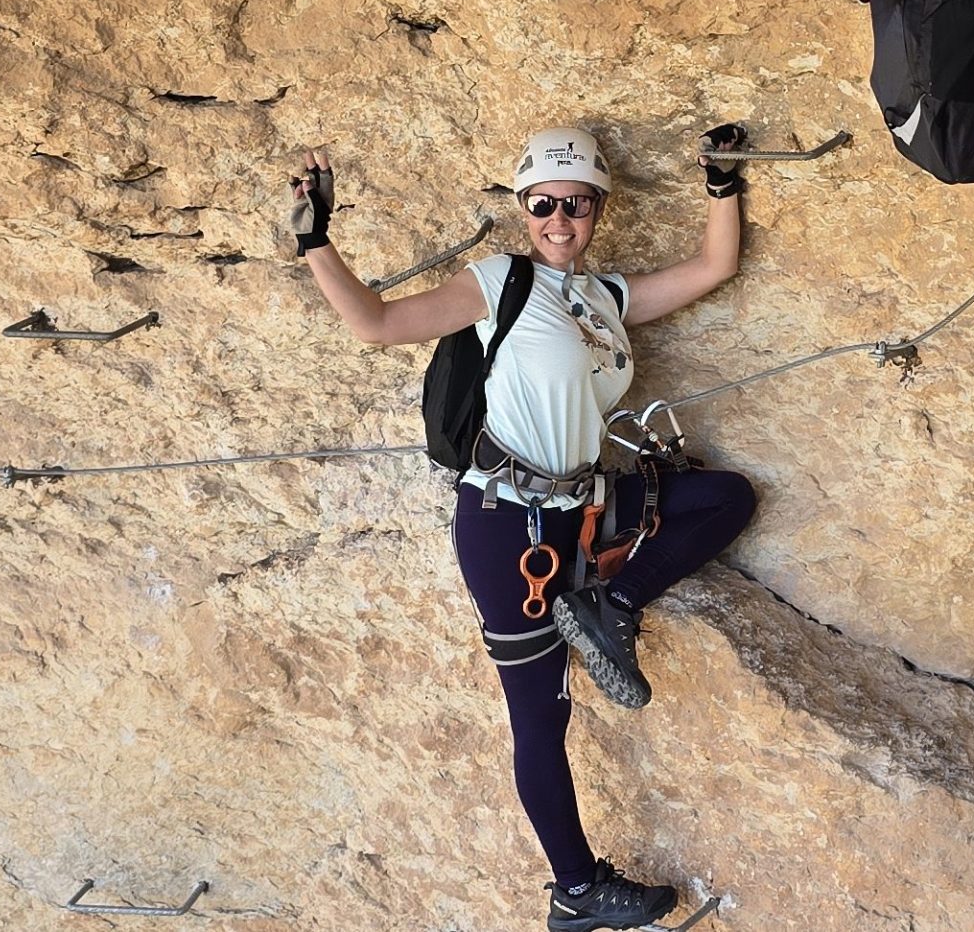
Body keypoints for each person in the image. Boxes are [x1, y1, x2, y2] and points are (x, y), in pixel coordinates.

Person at [290, 124, 757, 932]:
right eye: (543, 204)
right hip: (507, 525)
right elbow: (374, 324)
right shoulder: (499, 282)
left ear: (597, 209)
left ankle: (614, 606)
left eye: (576, 205)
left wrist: (722, 182)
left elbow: (714, 268)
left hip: (579, 505)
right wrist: (316, 241)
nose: (559, 219)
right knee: (541, 714)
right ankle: (574, 890)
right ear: (523, 208)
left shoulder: (604, 298)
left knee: (725, 498)